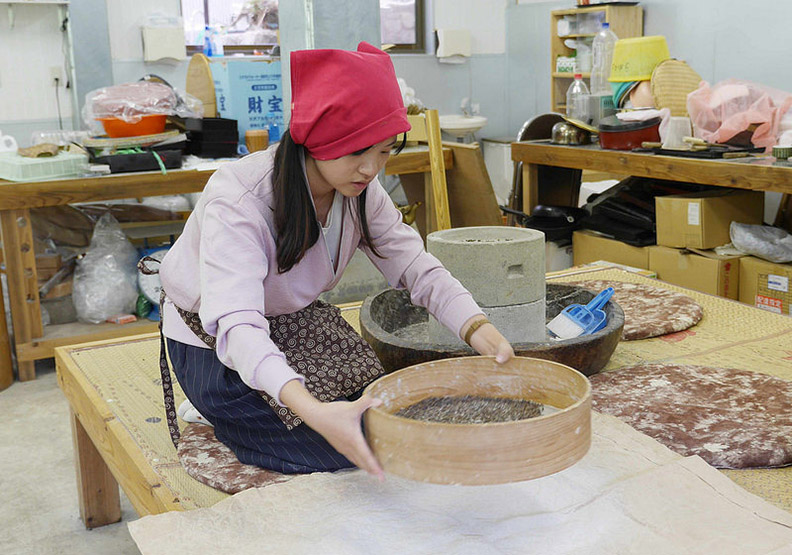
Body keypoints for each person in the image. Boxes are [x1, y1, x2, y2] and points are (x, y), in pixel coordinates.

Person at [157, 42, 514, 481]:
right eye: (356, 152)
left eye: (384, 152)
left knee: (383, 418)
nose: (370, 169)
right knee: (341, 446)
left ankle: (295, 409)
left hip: (290, 321)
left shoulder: (361, 192)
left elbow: (415, 266)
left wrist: (479, 329)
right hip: (213, 338)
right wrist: (313, 412)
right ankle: (221, 413)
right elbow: (238, 325)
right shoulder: (240, 199)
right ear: (316, 140)